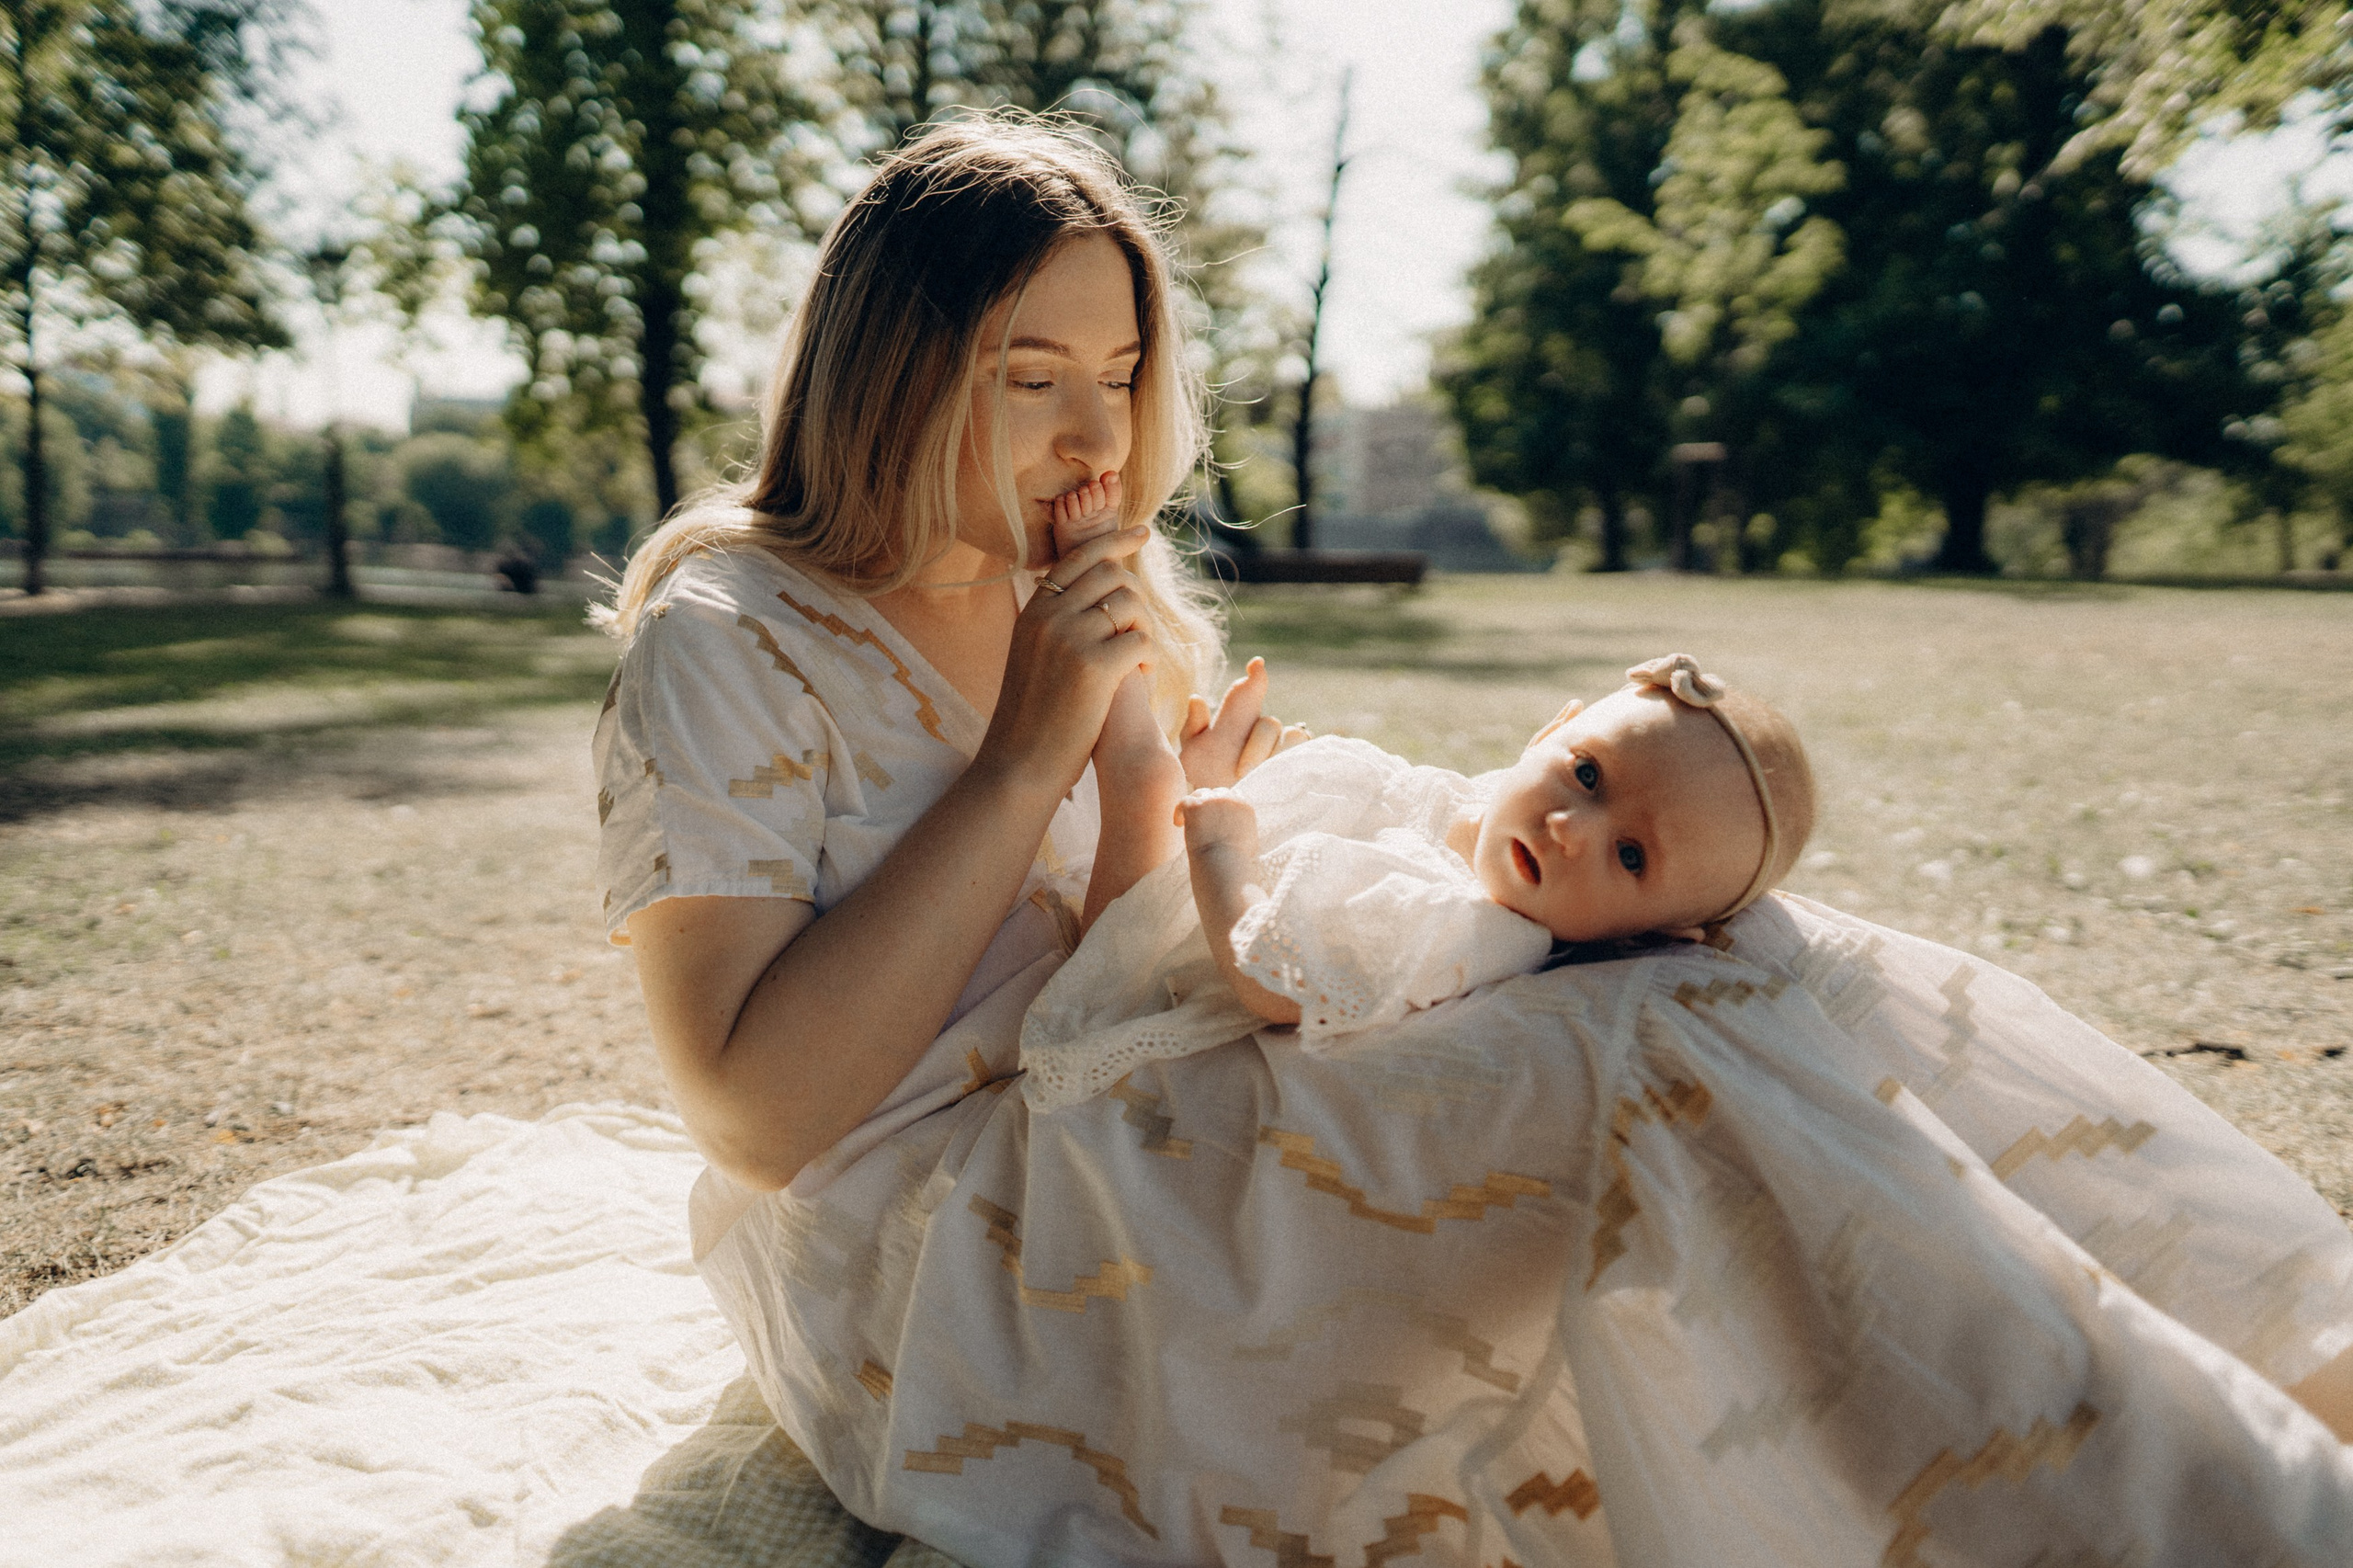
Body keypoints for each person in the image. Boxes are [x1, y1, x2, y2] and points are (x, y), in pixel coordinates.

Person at [599, 116, 2353, 1568]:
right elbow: (757, 1117)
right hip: (932, 1254)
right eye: (1027, 375)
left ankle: (2295, 1359)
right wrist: (1022, 759)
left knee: (1738, 961)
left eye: (1122, 376)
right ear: (888, 367)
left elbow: (1111, 969)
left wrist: (1167, 803)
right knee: (1639, 1050)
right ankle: (2205, 1510)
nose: (1093, 437)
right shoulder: (737, 633)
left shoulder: (1085, 591)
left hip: (1134, 1098)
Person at [1015, 653, 1814, 1109]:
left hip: (1138, 975)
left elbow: (1274, 977)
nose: (1571, 829)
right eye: (1587, 773)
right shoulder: (1461, 809)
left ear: (1653, 933)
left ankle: (1135, 754)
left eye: (1631, 857)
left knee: (1126, 726)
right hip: (1185, 885)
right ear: (1552, 730)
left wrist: (1222, 852)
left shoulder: (1474, 924)